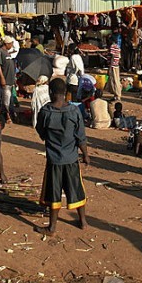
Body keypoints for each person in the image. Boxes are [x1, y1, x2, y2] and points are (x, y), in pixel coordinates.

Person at [35, 78, 90, 236]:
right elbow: (81, 136)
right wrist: (86, 155)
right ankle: (83, 222)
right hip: (71, 159)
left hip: (54, 160)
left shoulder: (45, 112)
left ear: (50, 92)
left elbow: (41, 133)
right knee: (77, 188)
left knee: (54, 192)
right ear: (65, 92)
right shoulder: (74, 111)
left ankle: (52, 227)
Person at [0, 36, 17, 122]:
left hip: (10, 79)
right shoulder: (0, 52)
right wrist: (2, 78)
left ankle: (8, 114)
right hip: (5, 79)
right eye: (11, 43)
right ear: (7, 44)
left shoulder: (7, 52)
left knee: (9, 98)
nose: (12, 45)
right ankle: (7, 116)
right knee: (6, 99)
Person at [106, 35, 122, 101]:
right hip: (116, 65)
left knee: (115, 80)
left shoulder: (112, 46)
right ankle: (116, 95)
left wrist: (110, 65)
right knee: (116, 80)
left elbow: (112, 56)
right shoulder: (117, 47)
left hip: (113, 65)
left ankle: (117, 95)